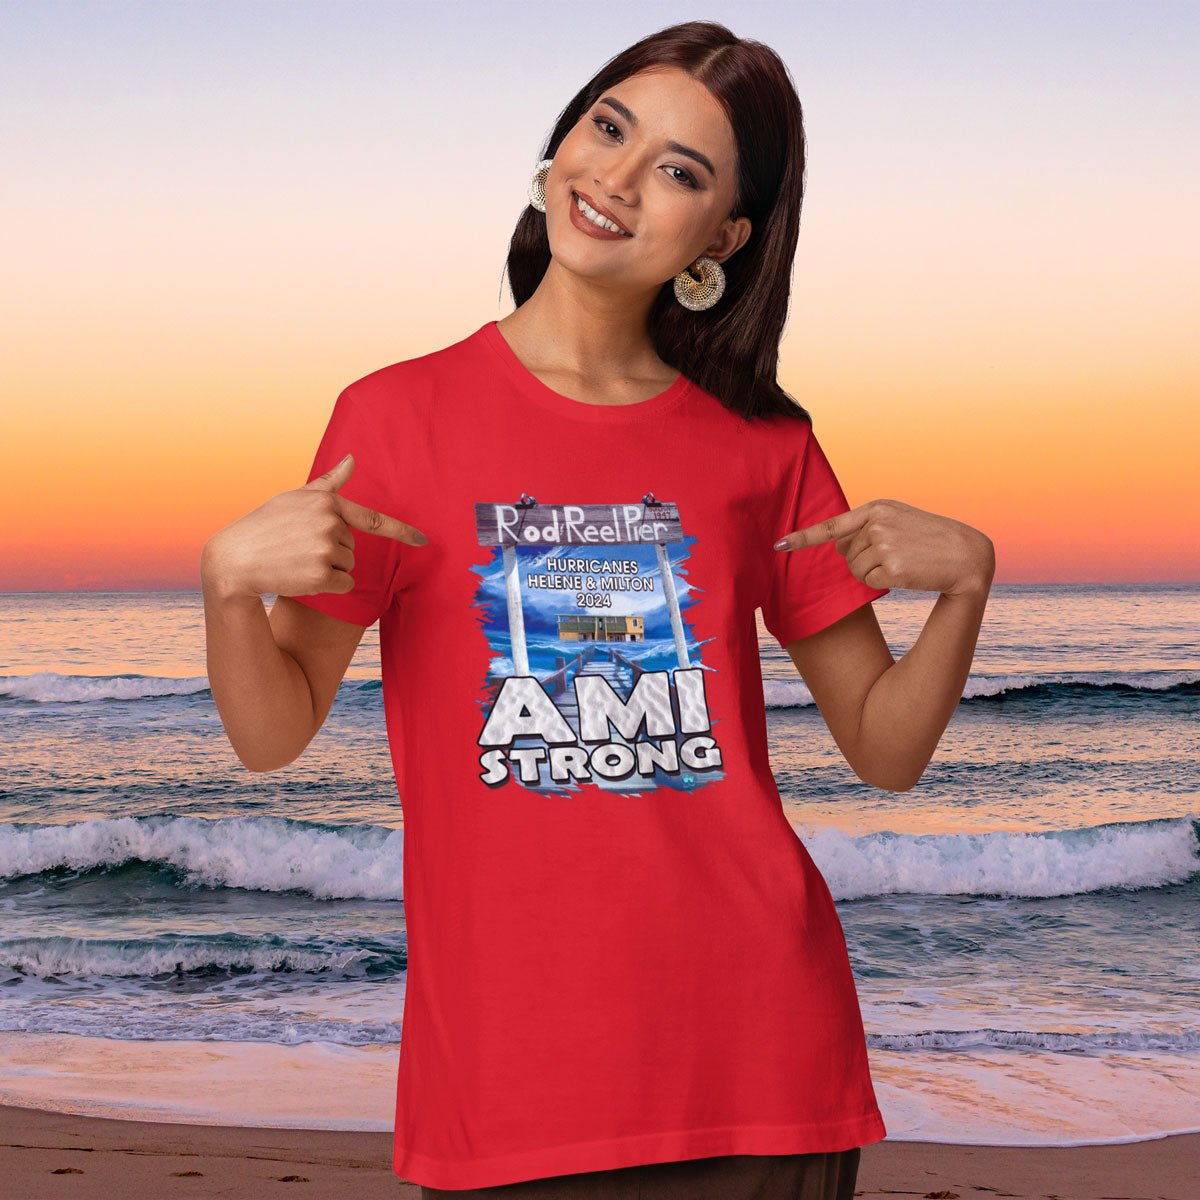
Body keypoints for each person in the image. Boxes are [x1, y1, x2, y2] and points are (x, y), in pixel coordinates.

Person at [200, 19, 994, 1198]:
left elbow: (884, 748)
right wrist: (226, 582)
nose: (617, 179)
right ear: (562, 141)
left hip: (761, 1062)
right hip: (511, 1082)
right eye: (608, 128)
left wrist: (969, 581)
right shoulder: (395, 416)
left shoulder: (763, 444)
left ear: (722, 236)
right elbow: (274, 732)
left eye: (680, 169)